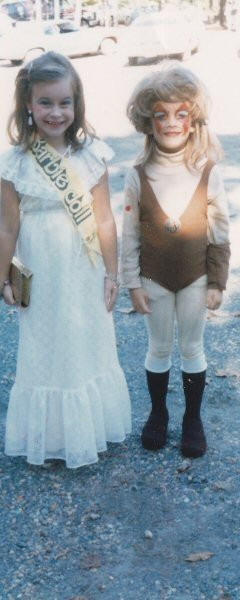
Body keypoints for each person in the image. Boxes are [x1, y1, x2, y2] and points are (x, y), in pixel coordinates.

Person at [0, 51, 131, 469]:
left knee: (86, 339)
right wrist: (2, 277)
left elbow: (105, 219)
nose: (56, 112)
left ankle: (89, 430)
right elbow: (6, 227)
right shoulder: (15, 163)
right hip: (42, 268)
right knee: (43, 344)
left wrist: (113, 272)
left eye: (64, 102)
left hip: (84, 265)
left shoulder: (92, 156)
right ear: (28, 106)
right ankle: (52, 435)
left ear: (77, 104)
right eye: (45, 103)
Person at [122, 65, 230, 458]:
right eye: (161, 115)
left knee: (193, 347)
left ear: (193, 117)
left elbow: (220, 231)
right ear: (148, 121)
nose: (171, 123)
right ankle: (159, 413)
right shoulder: (138, 174)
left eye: (180, 113)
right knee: (158, 346)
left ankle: (192, 419)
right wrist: (132, 283)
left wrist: (217, 281)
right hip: (154, 278)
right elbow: (130, 233)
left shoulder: (206, 171)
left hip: (196, 277)